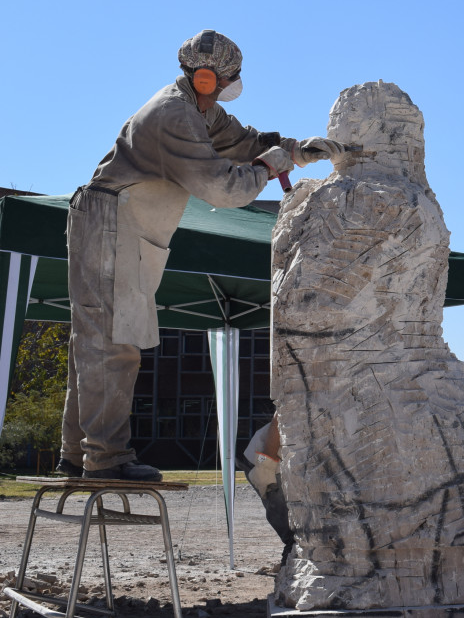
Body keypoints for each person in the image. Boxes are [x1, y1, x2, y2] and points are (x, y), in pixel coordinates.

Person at [56, 30, 344, 481]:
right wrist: (268, 168)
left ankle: (78, 454)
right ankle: (105, 459)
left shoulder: (197, 109)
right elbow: (223, 188)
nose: (231, 85)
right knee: (114, 343)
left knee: (97, 341)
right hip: (114, 221)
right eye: (227, 78)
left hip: (117, 220)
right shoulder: (175, 115)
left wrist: (293, 150)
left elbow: (244, 139)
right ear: (206, 78)